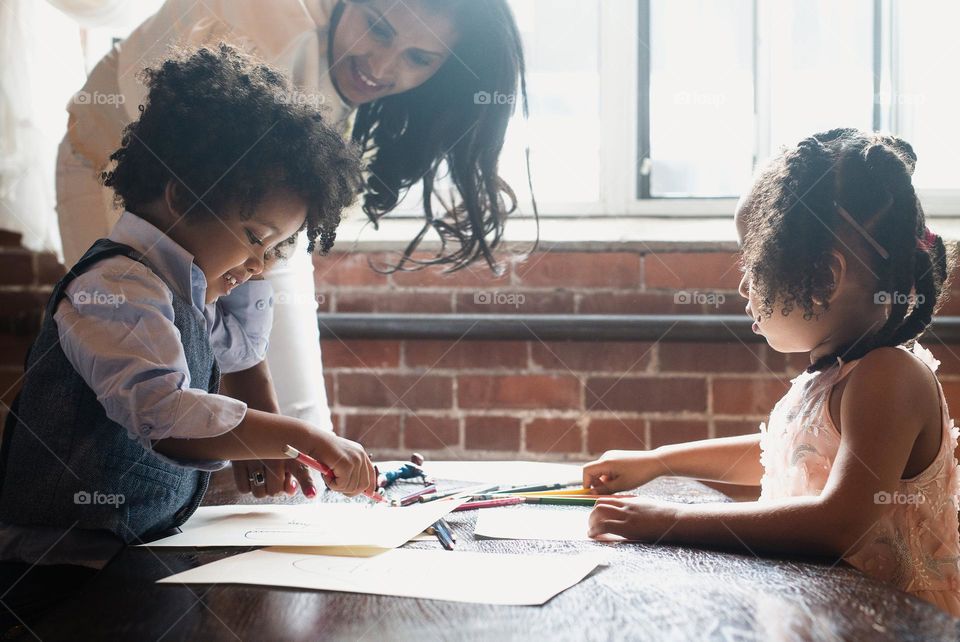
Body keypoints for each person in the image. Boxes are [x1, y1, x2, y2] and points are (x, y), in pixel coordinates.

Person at [55, 0, 530, 496]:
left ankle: (280, 529)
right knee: (176, 398)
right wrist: (252, 388)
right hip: (148, 180)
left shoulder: (271, 219)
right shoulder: (256, 31)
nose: (383, 67)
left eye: (420, 58)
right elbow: (210, 202)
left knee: (297, 430)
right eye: (377, 28)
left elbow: (256, 255)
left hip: (257, 215)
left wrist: (275, 409)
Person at [0, 44, 375, 626]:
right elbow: (167, 416)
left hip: (131, 560)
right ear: (181, 196)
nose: (262, 263)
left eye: (279, 248)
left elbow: (241, 349)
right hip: (56, 578)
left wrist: (256, 261)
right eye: (255, 235)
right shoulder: (118, 287)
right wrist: (303, 438)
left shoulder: (191, 289)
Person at [584, 129, 960, 616]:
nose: (743, 284)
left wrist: (670, 518)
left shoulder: (889, 376)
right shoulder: (836, 375)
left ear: (825, 277)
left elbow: (838, 521)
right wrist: (658, 461)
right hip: (822, 612)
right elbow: (784, 456)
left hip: (897, 625)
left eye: (755, 260)